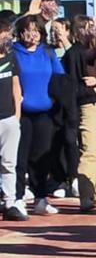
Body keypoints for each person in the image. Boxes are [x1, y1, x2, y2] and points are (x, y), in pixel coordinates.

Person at [12, 16, 65, 216]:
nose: (32, 34)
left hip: (45, 113)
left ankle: (41, 197)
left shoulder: (48, 53)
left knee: (42, 157)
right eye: (28, 29)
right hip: (21, 113)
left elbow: (60, 79)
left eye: (36, 30)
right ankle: (17, 198)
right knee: (20, 156)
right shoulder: (13, 52)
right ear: (20, 31)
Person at [63, 15, 96, 211]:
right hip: (86, 101)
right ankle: (85, 194)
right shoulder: (76, 52)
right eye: (87, 28)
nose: (91, 31)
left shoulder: (95, 54)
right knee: (90, 148)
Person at [0, 19, 24, 220]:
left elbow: (16, 85)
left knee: (9, 162)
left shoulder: (11, 57)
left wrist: (17, 114)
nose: (8, 37)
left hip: (9, 118)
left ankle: (10, 202)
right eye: (4, 33)